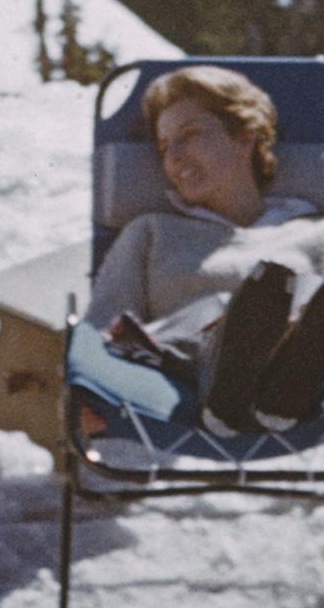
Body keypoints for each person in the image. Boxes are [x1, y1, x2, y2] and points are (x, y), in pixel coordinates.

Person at [88, 65, 324, 432]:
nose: (175, 156)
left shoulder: (313, 231)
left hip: (304, 377)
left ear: (245, 138)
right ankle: (231, 384)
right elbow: (103, 328)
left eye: (191, 134)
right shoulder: (152, 231)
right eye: (165, 146)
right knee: (251, 304)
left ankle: (284, 384)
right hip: (183, 370)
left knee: (293, 299)